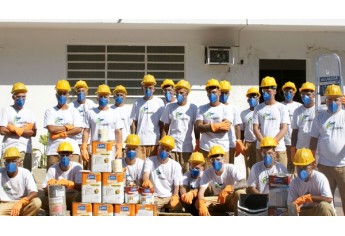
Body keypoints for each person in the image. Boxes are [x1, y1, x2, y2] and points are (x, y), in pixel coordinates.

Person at [310, 84, 345, 215]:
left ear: (341, 99)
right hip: (324, 166)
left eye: (336, 99)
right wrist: (311, 159)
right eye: (330, 99)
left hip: (343, 166)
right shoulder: (319, 117)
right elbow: (313, 139)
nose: (332, 102)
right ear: (326, 100)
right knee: (325, 202)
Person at [160, 79, 199, 173]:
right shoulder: (170, 107)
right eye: (177, 92)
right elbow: (165, 127)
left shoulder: (193, 108)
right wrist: (162, 144)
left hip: (187, 147)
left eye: (181, 92)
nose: (178, 95)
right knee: (171, 172)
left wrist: (198, 143)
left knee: (186, 173)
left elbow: (196, 128)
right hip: (172, 148)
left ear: (187, 93)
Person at [44, 80, 83, 170]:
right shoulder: (50, 111)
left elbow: (78, 130)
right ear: (56, 95)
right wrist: (67, 127)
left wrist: (61, 133)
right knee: (53, 180)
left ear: (68, 95)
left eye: (64, 93)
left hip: (72, 152)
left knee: (73, 180)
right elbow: (51, 129)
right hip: (53, 152)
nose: (62, 96)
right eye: (60, 93)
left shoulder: (74, 111)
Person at [197, 145, 246, 216]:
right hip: (217, 200)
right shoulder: (207, 172)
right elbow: (201, 192)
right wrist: (201, 203)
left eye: (218, 159)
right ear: (210, 161)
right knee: (198, 203)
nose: (215, 162)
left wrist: (231, 187)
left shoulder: (231, 168)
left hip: (230, 199)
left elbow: (244, 182)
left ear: (224, 160)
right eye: (212, 160)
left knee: (240, 193)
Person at [253, 76, 290, 169]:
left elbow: (284, 128)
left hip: (278, 149)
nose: (266, 93)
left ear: (275, 91)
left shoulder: (282, 107)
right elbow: (255, 128)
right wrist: (264, 144)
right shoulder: (258, 108)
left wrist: (272, 144)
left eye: (268, 91)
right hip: (261, 149)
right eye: (264, 91)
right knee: (262, 177)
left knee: (281, 177)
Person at [81, 84, 123, 164]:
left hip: (110, 149)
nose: (103, 99)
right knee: (95, 173)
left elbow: (118, 132)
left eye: (105, 96)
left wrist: (119, 148)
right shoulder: (90, 112)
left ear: (109, 98)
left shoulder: (115, 113)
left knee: (108, 174)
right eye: (101, 96)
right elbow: (86, 131)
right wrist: (84, 147)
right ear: (97, 98)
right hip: (95, 149)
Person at [0, 82, 37, 171]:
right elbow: (2, 130)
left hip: (25, 149)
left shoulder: (29, 112)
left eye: (23, 96)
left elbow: (33, 132)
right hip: (9, 149)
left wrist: (13, 128)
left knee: (24, 175)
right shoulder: (6, 110)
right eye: (18, 96)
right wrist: (23, 130)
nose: (21, 99)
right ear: (13, 97)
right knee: (6, 175)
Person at [196, 78, 232, 166]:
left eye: (214, 92)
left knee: (222, 177)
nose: (211, 94)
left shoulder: (226, 108)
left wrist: (207, 126)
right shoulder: (201, 108)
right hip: (206, 149)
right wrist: (216, 126)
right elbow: (199, 127)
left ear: (219, 92)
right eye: (209, 92)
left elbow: (225, 128)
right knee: (207, 177)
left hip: (222, 149)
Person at [288, 148, 335, 216]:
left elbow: (328, 199)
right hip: (304, 211)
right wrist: (295, 206)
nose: (301, 171)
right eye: (299, 168)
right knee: (289, 210)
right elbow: (291, 204)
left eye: (304, 167)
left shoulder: (319, 178)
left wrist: (309, 198)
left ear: (312, 166)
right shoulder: (294, 183)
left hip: (318, 211)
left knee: (324, 206)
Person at [142, 135, 183, 213]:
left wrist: (175, 195)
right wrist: (146, 180)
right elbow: (145, 174)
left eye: (167, 150)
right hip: (155, 196)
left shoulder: (176, 165)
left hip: (169, 197)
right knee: (148, 212)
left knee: (179, 211)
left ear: (170, 152)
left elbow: (176, 184)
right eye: (162, 148)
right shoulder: (149, 160)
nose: (164, 151)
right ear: (158, 148)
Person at [41, 141, 82, 214]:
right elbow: (45, 191)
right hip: (57, 196)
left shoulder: (77, 167)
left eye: (67, 154)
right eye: (62, 155)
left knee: (80, 196)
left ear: (71, 155)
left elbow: (81, 187)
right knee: (42, 200)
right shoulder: (52, 169)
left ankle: (75, 214)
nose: (65, 157)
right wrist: (49, 187)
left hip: (72, 196)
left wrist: (69, 184)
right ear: (58, 156)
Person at [130, 74, 165, 160]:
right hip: (140, 142)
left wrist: (161, 140)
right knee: (141, 168)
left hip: (154, 142)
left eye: (150, 87)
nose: (148, 89)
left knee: (152, 168)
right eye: (146, 87)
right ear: (142, 88)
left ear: (154, 89)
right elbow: (134, 122)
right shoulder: (137, 102)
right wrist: (134, 138)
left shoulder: (159, 102)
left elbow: (162, 123)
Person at [0, 147, 41, 216]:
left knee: (37, 202)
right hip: (6, 204)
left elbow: (34, 192)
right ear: (5, 163)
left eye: (13, 161)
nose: (10, 163)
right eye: (8, 161)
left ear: (19, 163)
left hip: (22, 203)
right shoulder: (1, 172)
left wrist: (21, 202)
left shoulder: (25, 172)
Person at [69, 80, 96, 169]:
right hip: (75, 142)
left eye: (83, 91)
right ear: (75, 92)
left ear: (87, 92)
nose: (81, 93)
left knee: (89, 167)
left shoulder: (92, 104)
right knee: (77, 167)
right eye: (79, 91)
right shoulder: (71, 106)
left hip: (88, 143)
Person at [219, 80, 244, 165]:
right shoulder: (214, 108)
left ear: (229, 94)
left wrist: (238, 141)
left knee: (229, 167)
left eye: (226, 93)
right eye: (221, 92)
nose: (223, 95)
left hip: (230, 144)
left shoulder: (233, 108)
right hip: (217, 144)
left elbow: (237, 126)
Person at [291, 82, 316, 163]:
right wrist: (293, 149)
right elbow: (295, 132)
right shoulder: (297, 111)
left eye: (308, 94)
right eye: (303, 94)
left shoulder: (320, 110)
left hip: (316, 150)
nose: (305, 96)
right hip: (300, 149)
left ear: (314, 94)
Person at [281, 81, 302, 173]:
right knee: (283, 166)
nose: (288, 94)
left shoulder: (299, 106)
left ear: (294, 93)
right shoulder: (279, 105)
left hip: (295, 142)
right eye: (286, 92)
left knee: (295, 166)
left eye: (290, 91)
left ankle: (294, 185)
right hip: (282, 142)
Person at [240, 87, 261, 177]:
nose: (252, 98)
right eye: (250, 96)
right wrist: (240, 144)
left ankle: (259, 186)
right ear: (247, 99)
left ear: (258, 98)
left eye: (254, 96)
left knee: (259, 165)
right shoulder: (243, 113)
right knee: (249, 166)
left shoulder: (261, 110)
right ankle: (249, 186)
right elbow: (242, 130)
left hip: (259, 142)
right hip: (248, 143)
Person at [180, 151, 205, 216]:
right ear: (190, 166)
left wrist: (193, 193)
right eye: (192, 168)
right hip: (189, 202)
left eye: (197, 168)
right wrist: (184, 195)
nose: (194, 170)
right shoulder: (186, 174)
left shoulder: (205, 175)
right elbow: (183, 186)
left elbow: (203, 189)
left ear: (202, 168)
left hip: (199, 200)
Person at [111, 85, 132, 157]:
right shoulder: (110, 109)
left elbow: (132, 126)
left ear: (125, 96)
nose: (119, 97)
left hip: (126, 145)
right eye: (117, 95)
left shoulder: (129, 109)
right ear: (114, 96)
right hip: (113, 145)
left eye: (121, 95)